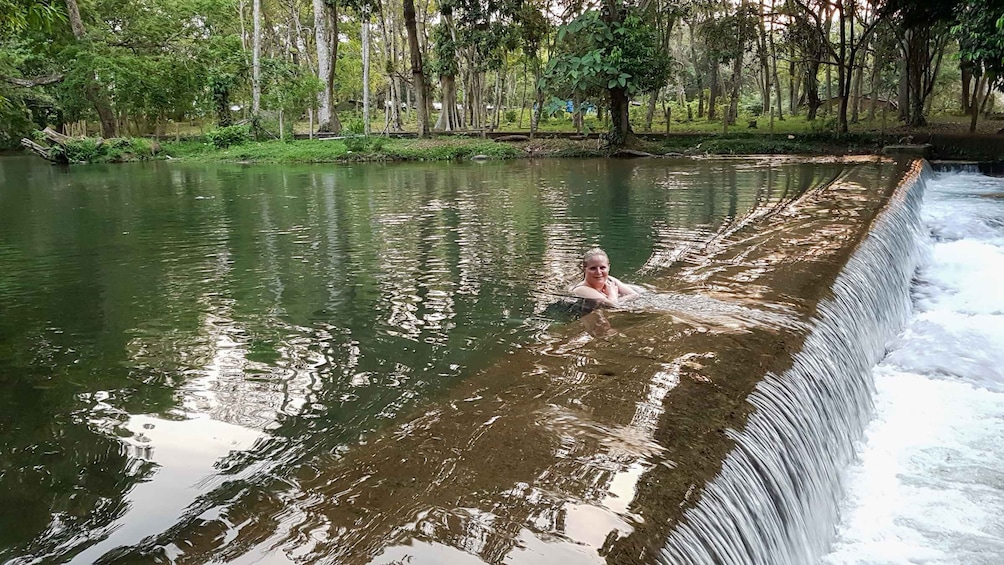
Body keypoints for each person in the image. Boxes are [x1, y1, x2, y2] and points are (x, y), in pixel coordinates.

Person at [570, 247, 639, 307]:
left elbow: (635, 295)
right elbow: (612, 306)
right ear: (584, 269)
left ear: (608, 267)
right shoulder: (581, 289)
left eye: (602, 268)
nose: (598, 272)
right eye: (593, 268)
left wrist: (613, 298)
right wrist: (612, 293)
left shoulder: (609, 280)